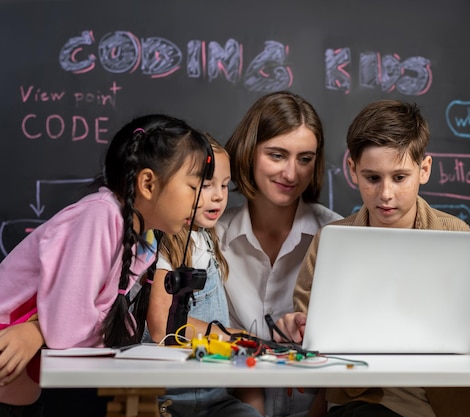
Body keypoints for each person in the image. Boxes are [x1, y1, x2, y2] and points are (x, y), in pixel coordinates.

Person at [276, 99, 470, 417]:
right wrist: (300, 330)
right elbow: (312, 330)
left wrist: (439, 324)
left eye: (399, 178)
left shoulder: (455, 234)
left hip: (440, 405)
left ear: (424, 170)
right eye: (372, 178)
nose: (386, 194)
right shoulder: (333, 240)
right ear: (352, 171)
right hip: (359, 398)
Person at [0, 114, 213, 417]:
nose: (201, 200)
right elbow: (67, 334)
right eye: (194, 187)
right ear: (148, 183)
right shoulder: (100, 216)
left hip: (31, 376)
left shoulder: (140, 238)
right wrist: (38, 330)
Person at [216, 91, 342, 417]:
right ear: (249, 152)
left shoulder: (337, 236)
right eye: (277, 155)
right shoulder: (212, 238)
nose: (291, 174)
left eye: (305, 159)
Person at [146, 135, 263, 417]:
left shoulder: (204, 239)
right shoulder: (167, 243)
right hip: (169, 398)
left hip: (213, 398)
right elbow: (161, 325)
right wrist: (225, 335)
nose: (219, 195)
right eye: (206, 185)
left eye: (224, 185)